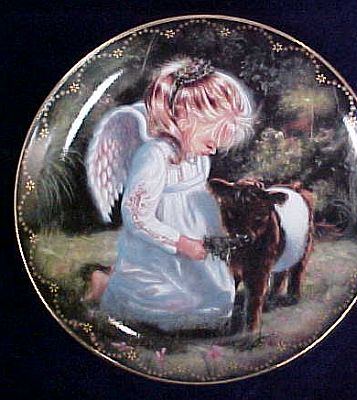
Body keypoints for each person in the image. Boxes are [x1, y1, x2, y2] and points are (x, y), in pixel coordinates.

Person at [93, 56, 254, 332]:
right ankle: (105, 284)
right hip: (160, 254)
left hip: (197, 247)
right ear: (185, 117)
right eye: (212, 137)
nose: (215, 148)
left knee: (216, 298)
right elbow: (136, 216)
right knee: (169, 306)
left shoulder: (198, 156)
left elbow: (197, 197)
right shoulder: (154, 155)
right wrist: (180, 242)